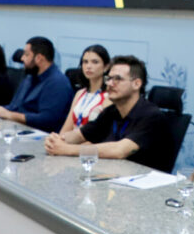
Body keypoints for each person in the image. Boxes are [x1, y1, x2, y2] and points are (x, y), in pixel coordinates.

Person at [44, 55, 178, 172]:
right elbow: (80, 135)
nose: (109, 84)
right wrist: (57, 140)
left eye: (118, 79)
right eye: (109, 78)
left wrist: (66, 149)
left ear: (137, 84)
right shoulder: (112, 111)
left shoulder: (152, 116)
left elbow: (119, 150)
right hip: (115, 177)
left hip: (146, 186)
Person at [0, 36, 72, 133]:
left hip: (41, 137)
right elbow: (15, 106)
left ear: (39, 58)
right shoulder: (30, 77)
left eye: (26, 54)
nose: (22, 58)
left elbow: (47, 119)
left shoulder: (57, 82)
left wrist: (10, 115)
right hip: (18, 129)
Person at [57, 44, 111, 134]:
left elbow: (102, 136)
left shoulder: (109, 96)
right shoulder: (80, 93)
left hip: (89, 146)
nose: (88, 66)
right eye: (85, 62)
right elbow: (66, 128)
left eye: (95, 62)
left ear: (106, 67)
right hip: (70, 143)